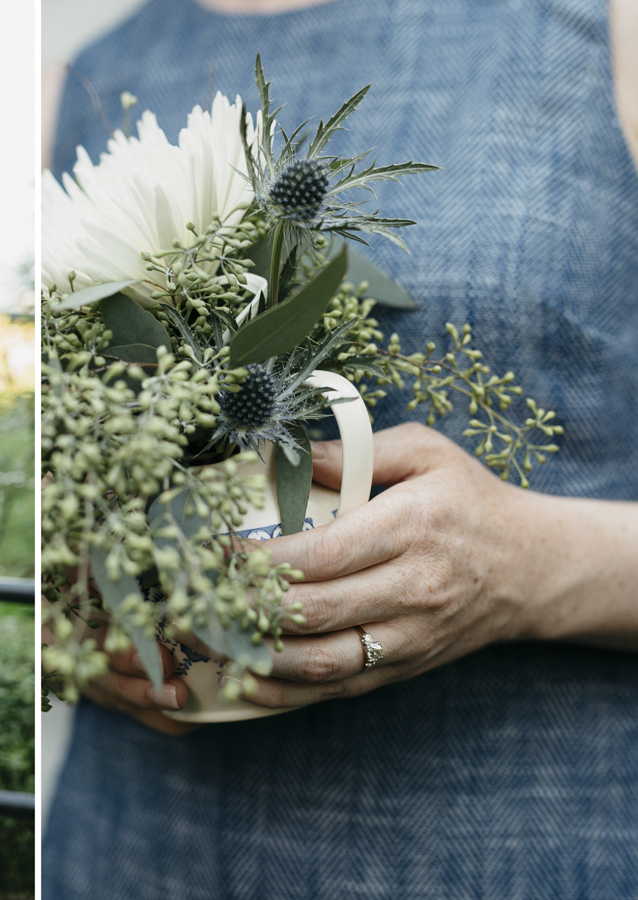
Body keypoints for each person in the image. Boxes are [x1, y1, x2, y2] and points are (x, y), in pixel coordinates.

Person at [42, 0, 638, 896]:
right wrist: (69, 616)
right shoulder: (84, 80)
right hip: (134, 843)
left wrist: (523, 563)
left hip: (523, 841)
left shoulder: (599, 27)